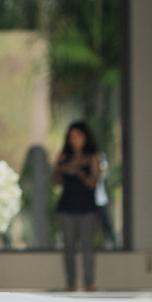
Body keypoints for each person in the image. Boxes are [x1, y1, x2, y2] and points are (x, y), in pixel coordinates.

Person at [54, 120, 100, 292]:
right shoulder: (64, 156)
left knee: (88, 246)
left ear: (85, 137)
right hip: (67, 207)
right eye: (71, 136)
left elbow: (93, 183)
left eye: (77, 135)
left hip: (87, 207)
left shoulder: (93, 157)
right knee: (69, 248)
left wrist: (78, 172)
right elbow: (57, 182)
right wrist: (59, 167)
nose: (74, 139)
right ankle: (70, 283)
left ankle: (89, 282)